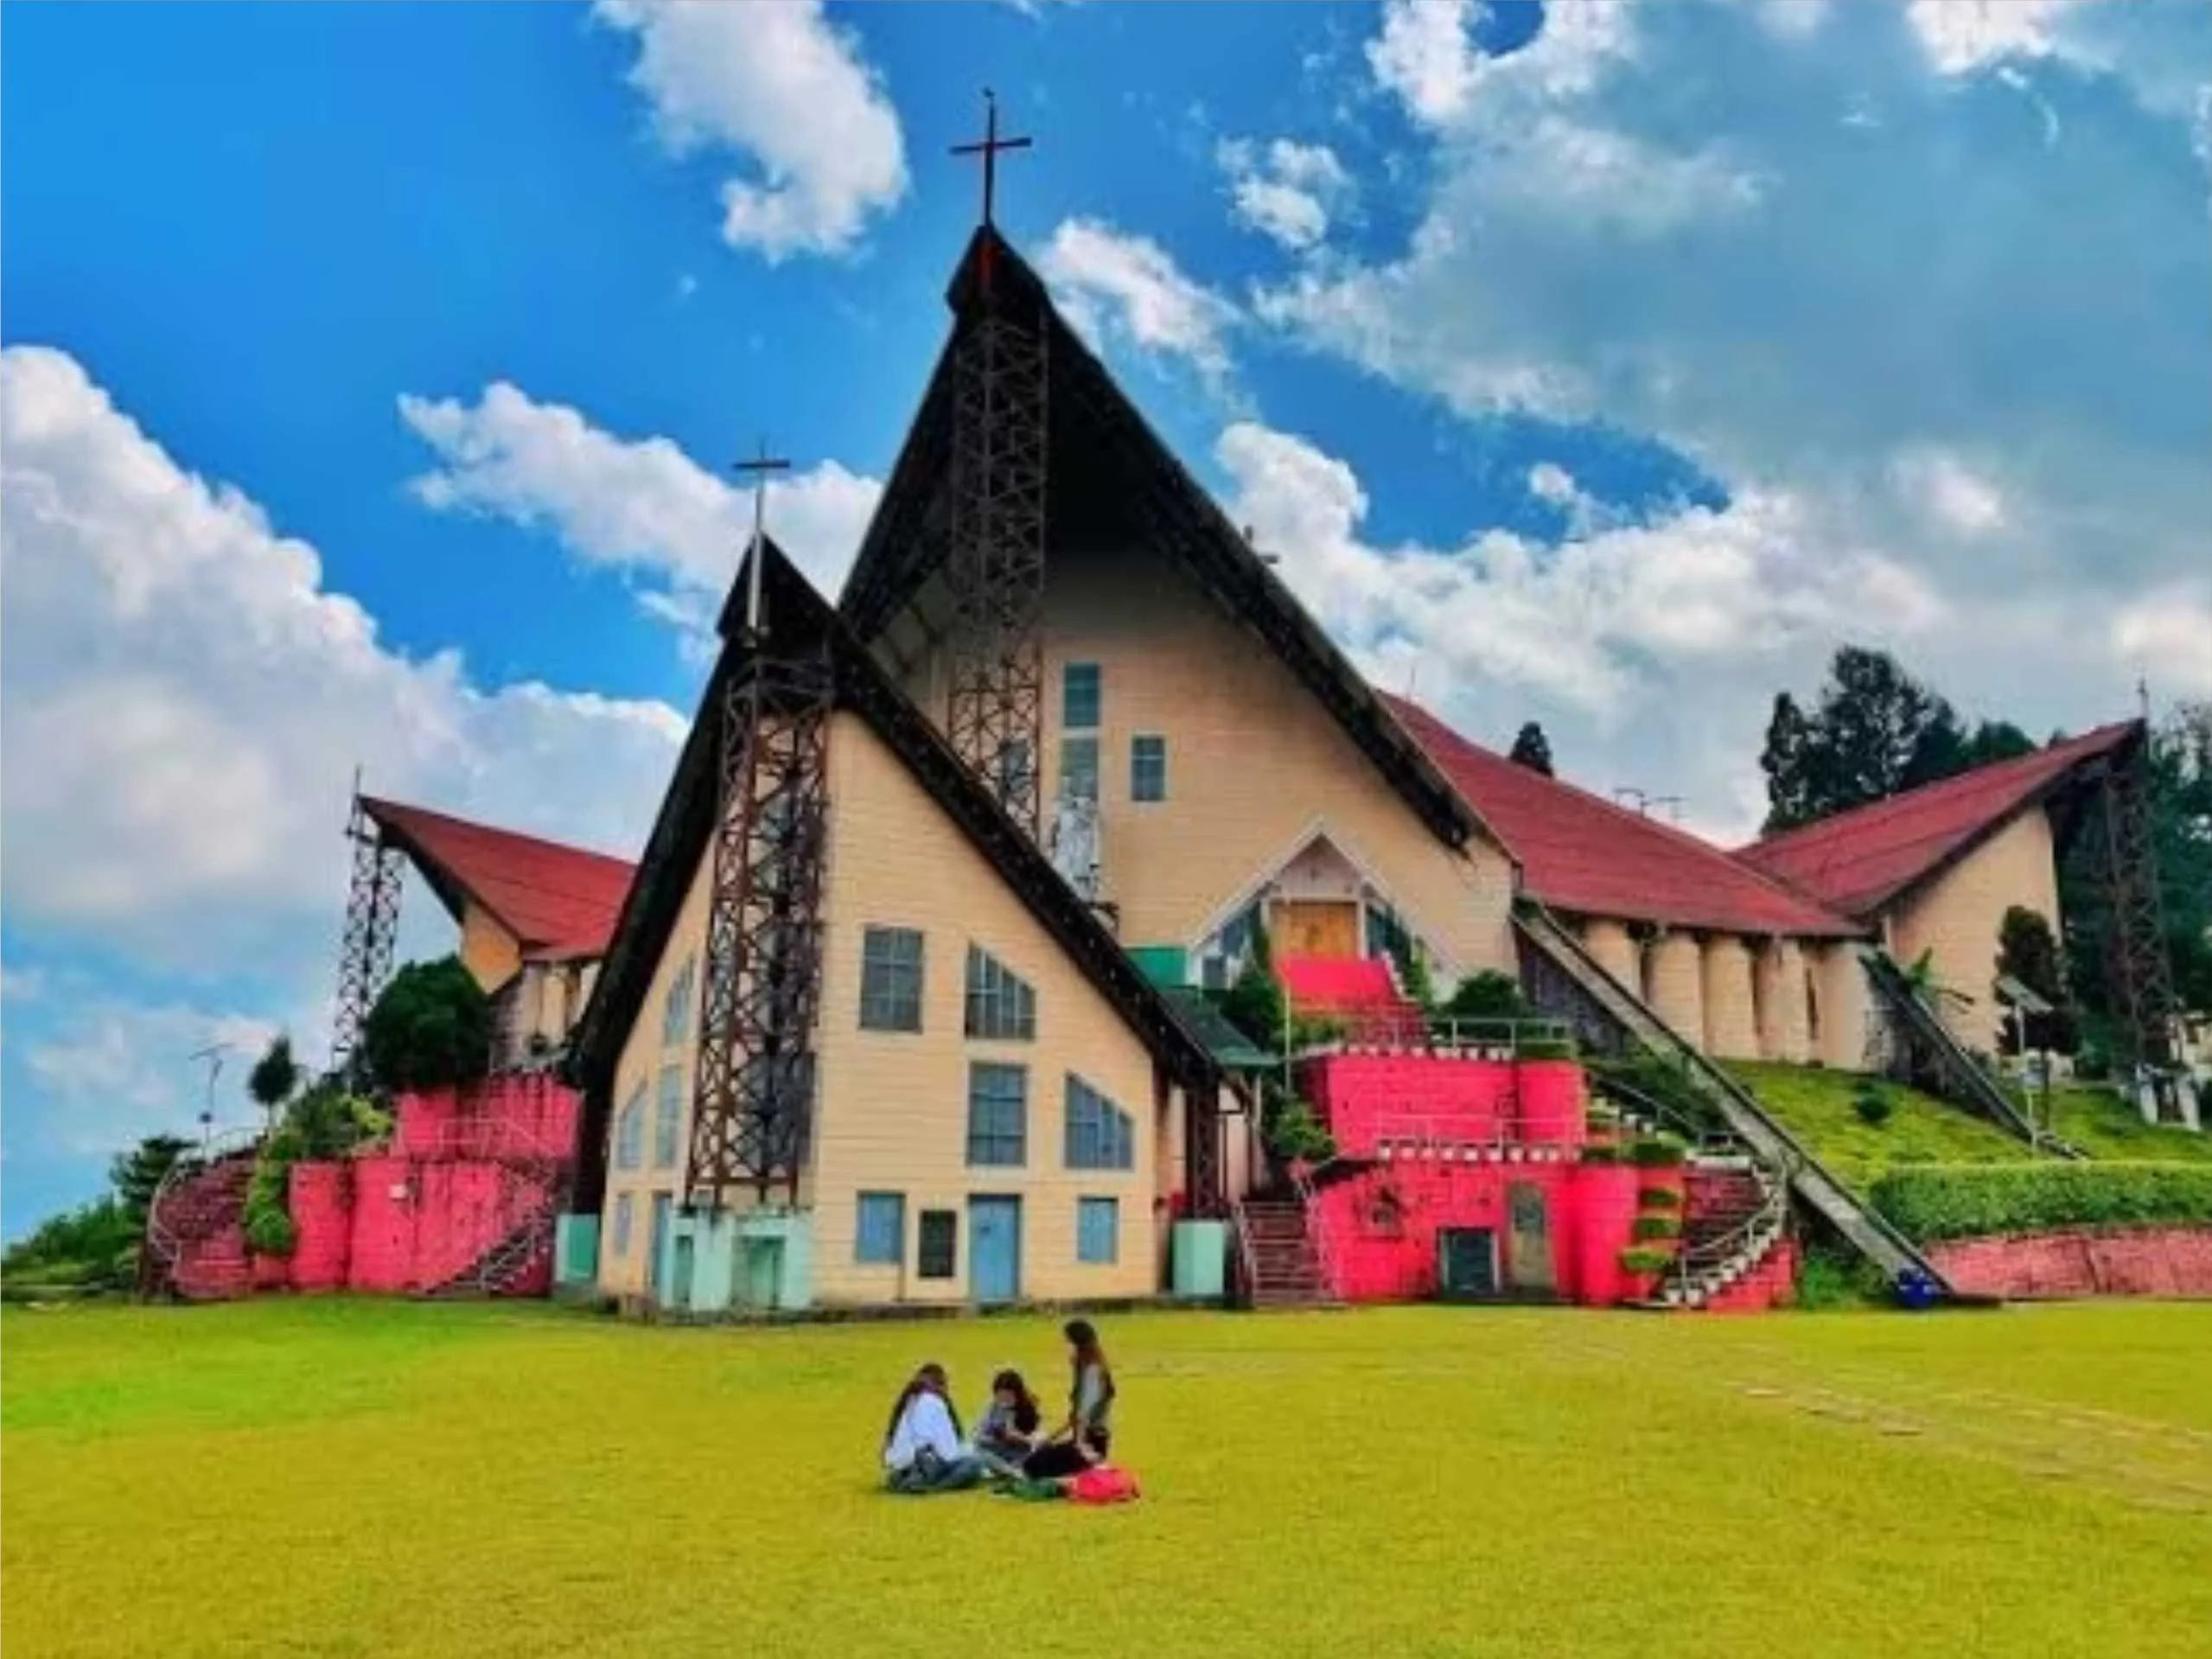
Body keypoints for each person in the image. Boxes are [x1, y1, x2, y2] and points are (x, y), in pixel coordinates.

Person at [1022, 1318, 1116, 1480]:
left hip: (1091, 1443)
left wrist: (1081, 1446)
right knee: (1037, 1458)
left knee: (1033, 1466)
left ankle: (1090, 1468)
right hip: (1084, 1439)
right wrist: (1050, 1439)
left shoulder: (1093, 1372)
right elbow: (1074, 1420)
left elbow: (1083, 1416)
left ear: (1078, 1344)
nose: (1065, 1348)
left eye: (1067, 1342)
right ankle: (1083, 1470)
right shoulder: (1085, 1370)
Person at [882, 1363, 985, 1495]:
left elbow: (890, 1450)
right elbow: (947, 1451)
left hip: (903, 1464)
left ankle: (907, 1478)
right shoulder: (934, 1402)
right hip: (927, 1461)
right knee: (975, 1464)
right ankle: (934, 1486)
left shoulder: (907, 1402)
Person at [972, 1369, 1042, 1477]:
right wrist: (997, 1436)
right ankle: (1009, 1471)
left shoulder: (1026, 1409)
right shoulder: (993, 1407)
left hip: (1018, 1454)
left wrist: (1021, 1438)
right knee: (977, 1452)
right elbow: (978, 1436)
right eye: (1001, 1397)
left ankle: (1008, 1471)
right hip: (995, 1452)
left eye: (1008, 1397)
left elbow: (1037, 1439)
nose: (1004, 1401)